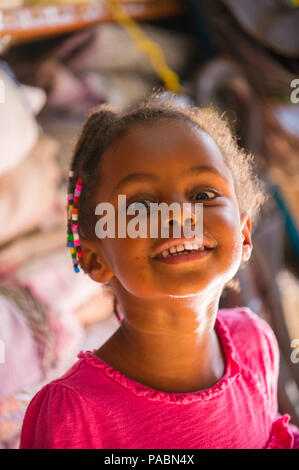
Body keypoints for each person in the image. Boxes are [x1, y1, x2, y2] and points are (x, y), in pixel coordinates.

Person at [19, 90, 299, 449]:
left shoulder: (254, 343)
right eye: (140, 204)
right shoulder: (74, 414)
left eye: (202, 195)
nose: (180, 213)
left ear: (244, 234)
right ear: (94, 259)